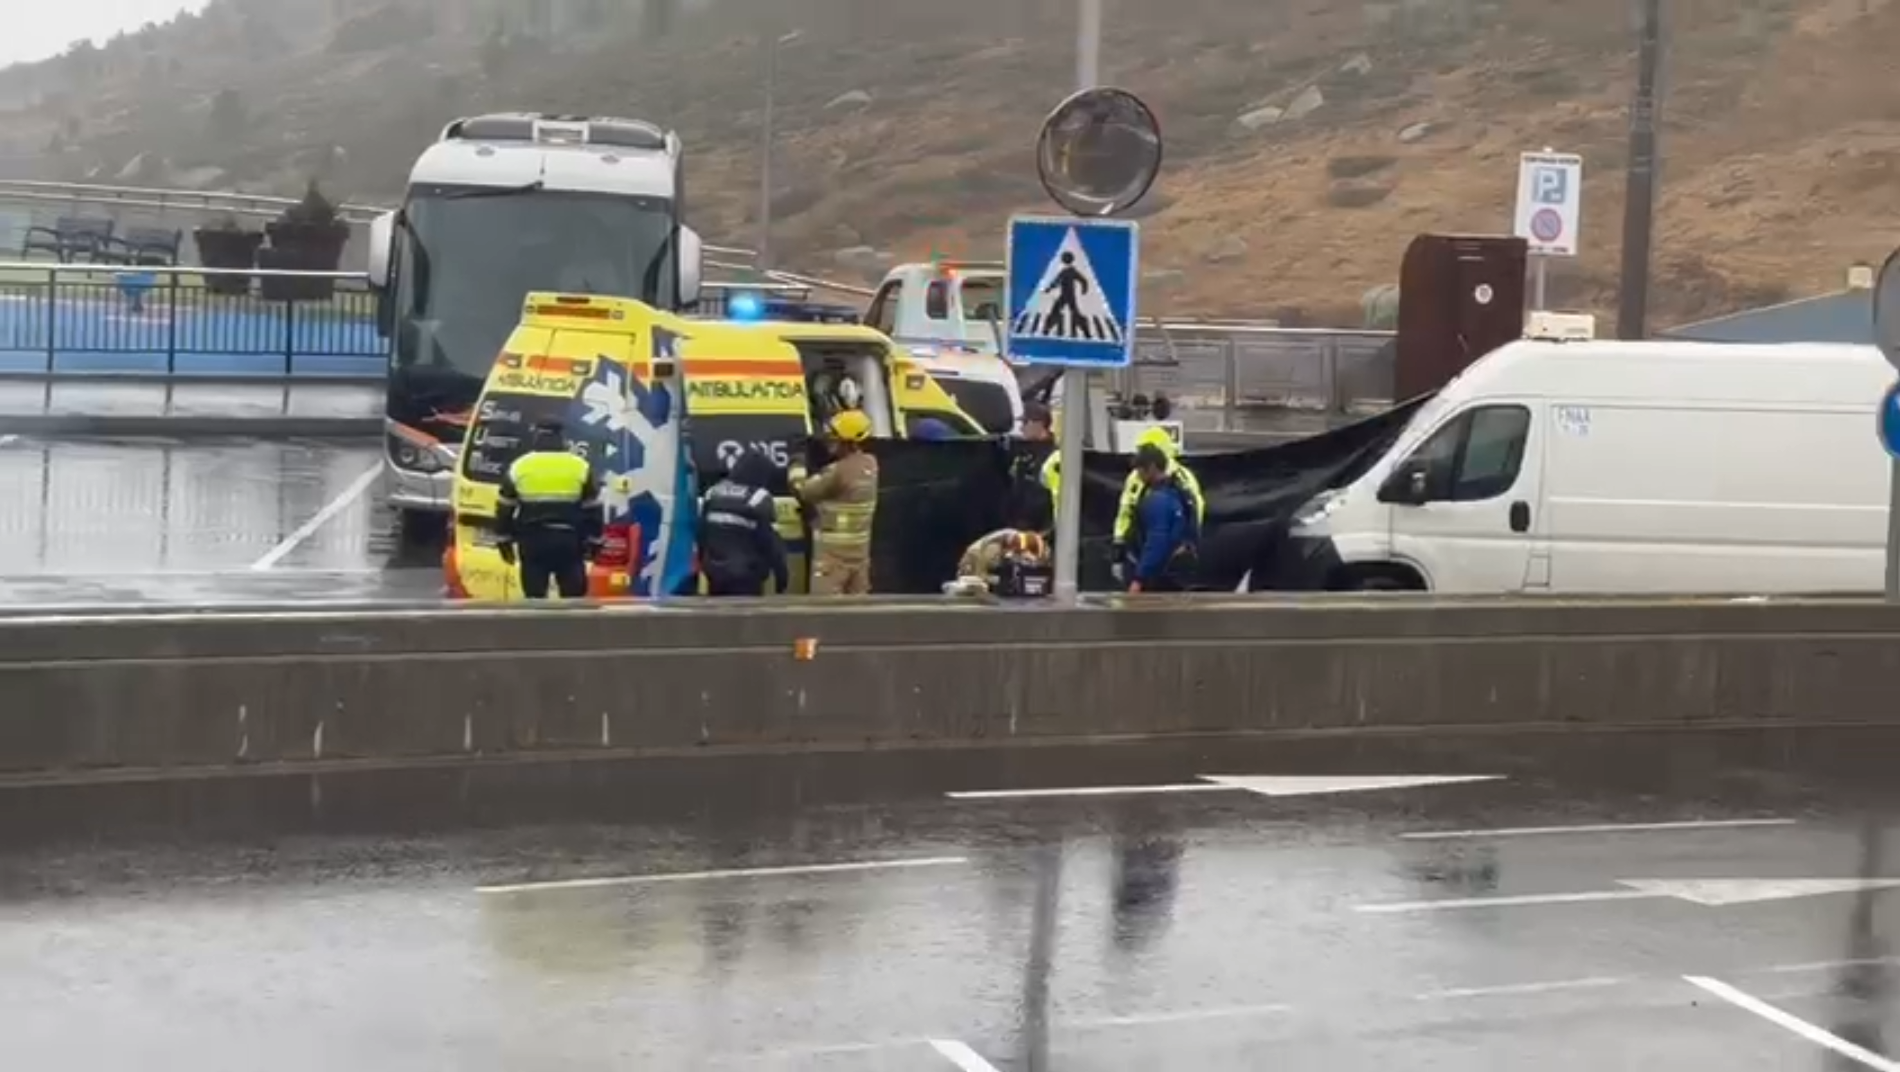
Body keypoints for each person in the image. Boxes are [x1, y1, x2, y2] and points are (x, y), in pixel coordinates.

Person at [496, 420, 601, 600]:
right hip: (569, 542)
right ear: (561, 437)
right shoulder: (580, 466)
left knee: (535, 598)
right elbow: (593, 510)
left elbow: (505, 509)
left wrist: (504, 542)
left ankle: (539, 627)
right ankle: (573, 627)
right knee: (574, 600)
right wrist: (595, 542)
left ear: (536, 435)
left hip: (533, 542)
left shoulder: (520, 466)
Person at [792, 408, 879, 596]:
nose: (829, 442)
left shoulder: (837, 472)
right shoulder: (871, 464)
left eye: (833, 437)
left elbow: (803, 491)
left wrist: (797, 464)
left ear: (846, 442)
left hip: (833, 561)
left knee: (825, 617)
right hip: (860, 560)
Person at [1111, 426, 1203, 585]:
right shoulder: (1135, 477)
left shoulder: (1182, 478)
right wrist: (1119, 546)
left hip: (1169, 557)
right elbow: (1125, 511)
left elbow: (1195, 510)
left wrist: (1188, 542)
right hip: (1139, 553)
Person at [697, 448, 789, 597]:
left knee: (716, 617)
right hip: (746, 576)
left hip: (715, 573)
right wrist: (781, 576)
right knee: (746, 618)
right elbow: (770, 542)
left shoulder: (713, 493)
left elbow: (702, 535)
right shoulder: (758, 498)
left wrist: (702, 565)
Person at [1125, 443, 1198, 594]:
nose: (1137, 475)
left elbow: (1157, 541)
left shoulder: (1158, 500)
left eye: (1139, 469)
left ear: (1151, 468)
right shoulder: (1178, 492)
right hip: (1176, 576)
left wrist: (1138, 580)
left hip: (1157, 580)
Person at [952, 528, 1052, 597]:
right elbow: (981, 574)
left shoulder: (1016, 543)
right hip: (973, 568)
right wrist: (1000, 581)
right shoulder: (993, 547)